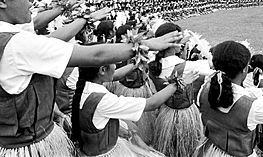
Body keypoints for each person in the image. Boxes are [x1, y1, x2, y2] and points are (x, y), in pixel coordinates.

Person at [0, 0, 183, 157]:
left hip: (4, 142)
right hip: (30, 146)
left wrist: (83, 18)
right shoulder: (17, 45)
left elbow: (49, 36)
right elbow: (95, 55)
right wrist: (145, 46)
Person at [71, 53, 200, 157]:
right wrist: (178, 83)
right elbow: (151, 104)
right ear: (102, 70)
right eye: (114, 63)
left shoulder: (84, 87)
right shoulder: (104, 100)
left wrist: (136, 63)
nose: (116, 66)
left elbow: (115, 75)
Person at [148, 22, 214, 157]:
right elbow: (213, 67)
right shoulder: (187, 66)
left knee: (166, 149)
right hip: (185, 116)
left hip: (165, 114)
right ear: (175, 42)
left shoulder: (152, 64)